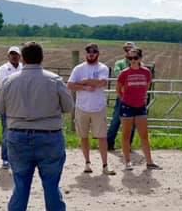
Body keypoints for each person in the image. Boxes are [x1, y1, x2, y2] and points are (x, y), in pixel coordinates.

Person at [0, 41, 74, 211]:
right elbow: (68, 107)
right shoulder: (54, 80)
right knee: (51, 184)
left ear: (22, 58)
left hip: (18, 135)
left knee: (20, 184)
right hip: (49, 136)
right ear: (42, 58)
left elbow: (2, 108)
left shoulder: (9, 81)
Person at [67, 43, 116, 175]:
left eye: (94, 52)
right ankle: (87, 163)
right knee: (83, 136)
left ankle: (105, 165)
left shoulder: (103, 68)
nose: (91, 54)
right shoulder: (78, 68)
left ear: (98, 54)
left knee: (102, 136)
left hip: (98, 107)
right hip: (82, 107)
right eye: (89, 52)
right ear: (86, 54)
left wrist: (84, 81)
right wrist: (84, 86)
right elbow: (70, 85)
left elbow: (102, 82)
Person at [117, 48, 160, 171]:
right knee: (126, 135)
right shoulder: (124, 73)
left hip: (140, 106)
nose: (132, 60)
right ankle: (127, 162)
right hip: (127, 106)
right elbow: (118, 89)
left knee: (144, 135)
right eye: (130, 58)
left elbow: (147, 86)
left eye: (135, 58)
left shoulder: (146, 72)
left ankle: (149, 162)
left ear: (140, 58)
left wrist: (140, 98)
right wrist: (125, 100)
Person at [106, 41, 137, 150]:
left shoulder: (139, 64)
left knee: (132, 122)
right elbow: (119, 76)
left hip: (135, 97)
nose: (128, 52)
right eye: (126, 50)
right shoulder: (119, 63)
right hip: (122, 96)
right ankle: (109, 143)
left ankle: (128, 145)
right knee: (116, 120)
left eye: (131, 49)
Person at [0, 46, 23, 169]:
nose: (14, 56)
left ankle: (18, 157)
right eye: (12, 54)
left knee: (20, 131)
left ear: (20, 56)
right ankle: (6, 158)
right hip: (8, 104)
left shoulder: (23, 68)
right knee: (7, 132)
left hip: (21, 105)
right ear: (8, 56)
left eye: (16, 54)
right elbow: (5, 85)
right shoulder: (3, 69)